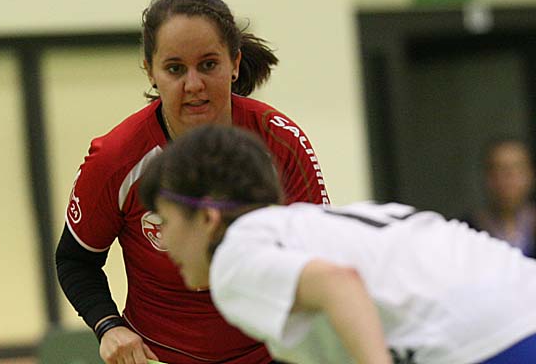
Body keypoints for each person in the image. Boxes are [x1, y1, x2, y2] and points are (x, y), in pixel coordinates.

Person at [55, 0, 328, 364]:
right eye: (175, 69)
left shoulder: (281, 143)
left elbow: (318, 258)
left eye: (209, 65)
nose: (194, 84)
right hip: (158, 358)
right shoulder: (115, 159)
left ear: (234, 63)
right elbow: (75, 260)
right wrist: (108, 325)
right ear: (150, 71)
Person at [139, 124, 536, 364]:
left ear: (207, 218)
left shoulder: (234, 257)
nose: (164, 238)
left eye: (166, 220)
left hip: (491, 334)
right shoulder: (302, 226)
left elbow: (339, 284)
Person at [463, 137, 536, 258]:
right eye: (498, 169)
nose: (508, 178)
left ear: (531, 174)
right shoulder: (466, 232)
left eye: (517, 169)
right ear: (486, 177)